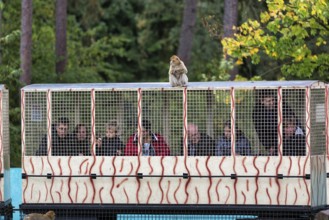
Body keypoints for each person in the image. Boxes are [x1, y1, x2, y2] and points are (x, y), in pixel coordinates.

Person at [252, 89, 296, 155]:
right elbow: (260, 130)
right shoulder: (257, 111)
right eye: (269, 101)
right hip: (270, 136)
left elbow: (292, 117)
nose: (272, 103)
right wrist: (269, 146)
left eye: (273, 100)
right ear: (262, 101)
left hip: (286, 134)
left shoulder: (281, 104)